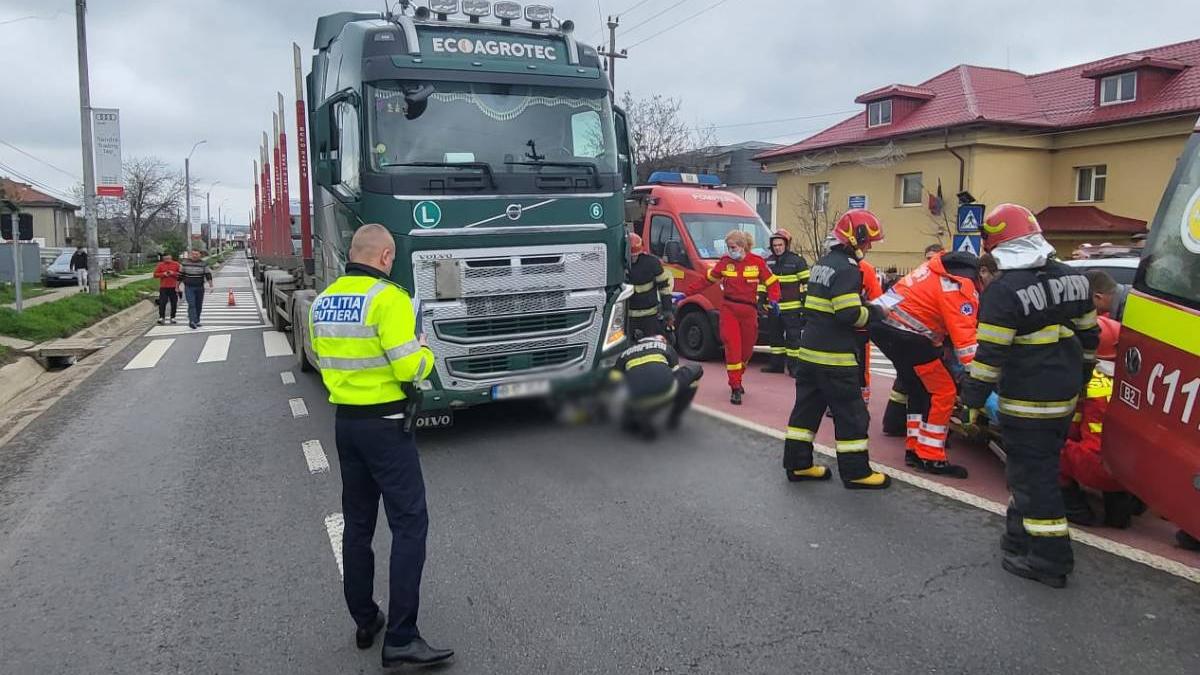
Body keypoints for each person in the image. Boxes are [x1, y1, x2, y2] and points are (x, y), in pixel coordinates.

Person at [309, 223, 453, 667]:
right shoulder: (388, 299)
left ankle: (366, 620)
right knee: (410, 525)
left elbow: (322, 356)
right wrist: (425, 349)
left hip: (346, 424)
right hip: (387, 426)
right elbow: (410, 367)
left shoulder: (323, 301)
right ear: (386, 257)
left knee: (358, 524)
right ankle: (402, 637)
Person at [960, 204, 1099, 589]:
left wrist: (971, 401)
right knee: (1031, 472)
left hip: (1026, 402)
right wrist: (1079, 379)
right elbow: (1091, 340)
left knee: (1033, 479)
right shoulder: (1076, 280)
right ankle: (1018, 537)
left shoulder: (1004, 292)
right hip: (1065, 398)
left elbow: (989, 359)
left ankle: (1050, 560)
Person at [782, 209, 891, 489]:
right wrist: (876, 313)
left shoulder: (823, 263)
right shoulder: (847, 269)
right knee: (852, 415)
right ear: (855, 238)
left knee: (805, 413)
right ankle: (856, 473)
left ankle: (798, 465)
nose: (868, 247)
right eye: (867, 242)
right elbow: (848, 314)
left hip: (809, 354)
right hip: (834, 359)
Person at [869, 251, 981, 479]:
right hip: (908, 335)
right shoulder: (960, 286)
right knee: (944, 390)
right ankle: (931, 456)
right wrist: (982, 376)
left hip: (885, 326)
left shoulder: (936, 268)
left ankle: (914, 449)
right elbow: (966, 343)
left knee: (918, 389)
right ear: (984, 273)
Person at [1059, 316, 1142, 528]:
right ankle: (1120, 507)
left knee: (1044, 444)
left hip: (1096, 464)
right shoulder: (1134, 381)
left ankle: (1072, 504)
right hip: (1134, 470)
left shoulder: (1076, 378)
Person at [688, 230, 779, 405]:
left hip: (749, 311)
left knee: (746, 350)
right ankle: (735, 387)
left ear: (743, 246)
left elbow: (772, 281)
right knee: (733, 348)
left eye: (733, 247)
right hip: (729, 309)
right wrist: (687, 293)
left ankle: (738, 375)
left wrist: (774, 299)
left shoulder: (757, 262)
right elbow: (706, 281)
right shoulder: (725, 263)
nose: (730, 251)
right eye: (729, 247)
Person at [609, 335, 704, 440]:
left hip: (635, 400)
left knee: (626, 386)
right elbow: (674, 373)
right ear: (661, 340)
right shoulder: (666, 348)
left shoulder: (623, 355)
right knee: (695, 369)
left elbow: (614, 383)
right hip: (665, 393)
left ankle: (632, 417)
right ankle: (674, 418)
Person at [760, 229, 809, 375]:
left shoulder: (797, 261)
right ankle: (777, 365)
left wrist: (806, 305)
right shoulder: (767, 262)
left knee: (793, 339)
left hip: (792, 308)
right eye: (775, 245)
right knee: (775, 338)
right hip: (774, 307)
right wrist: (760, 299)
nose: (777, 248)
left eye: (780, 245)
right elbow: (763, 283)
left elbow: (807, 284)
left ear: (786, 245)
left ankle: (794, 368)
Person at [626, 233, 674, 340]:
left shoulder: (652, 263)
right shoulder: (618, 265)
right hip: (627, 318)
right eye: (631, 256)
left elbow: (664, 288)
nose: (633, 258)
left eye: (635, 256)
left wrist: (667, 310)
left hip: (650, 317)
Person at [153, 253, 182, 325]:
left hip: (174, 287)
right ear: (163, 259)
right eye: (166, 259)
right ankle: (161, 317)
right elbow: (155, 275)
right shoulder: (160, 265)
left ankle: (173, 317)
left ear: (171, 257)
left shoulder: (176, 264)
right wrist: (163, 274)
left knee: (174, 303)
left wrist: (173, 273)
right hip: (164, 287)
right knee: (162, 303)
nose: (167, 260)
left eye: (169, 258)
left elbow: (181, 274)